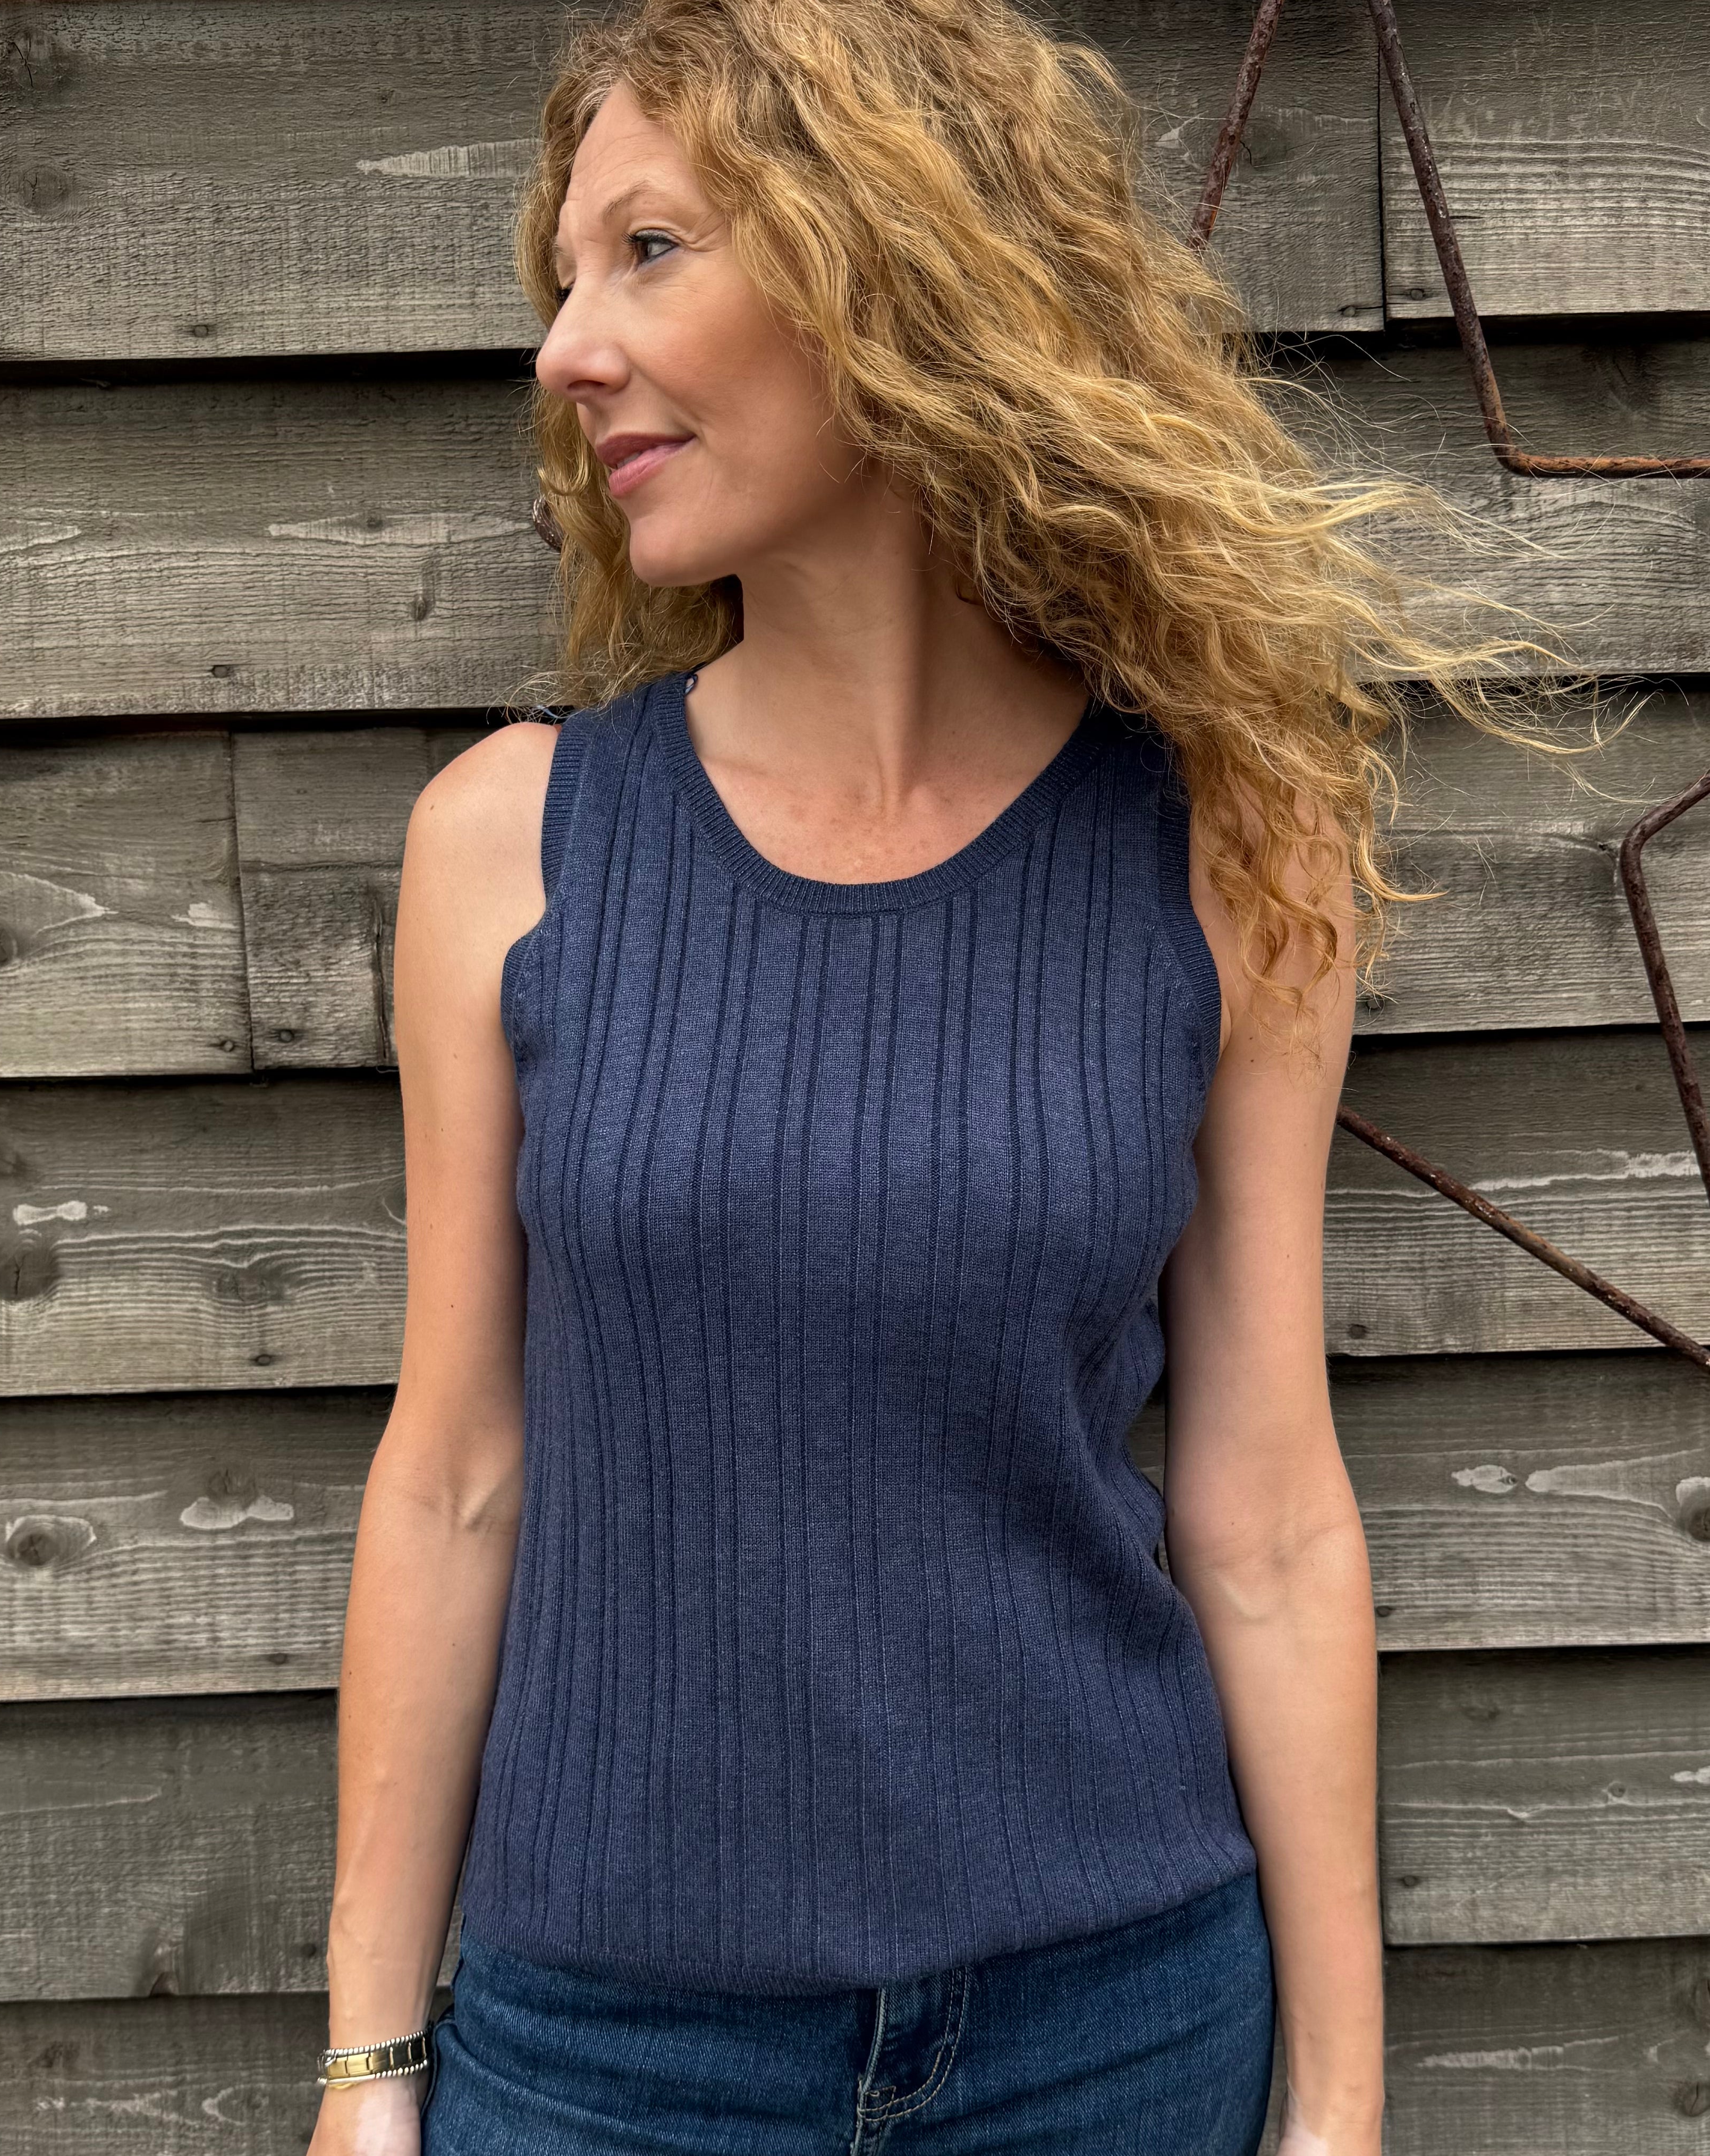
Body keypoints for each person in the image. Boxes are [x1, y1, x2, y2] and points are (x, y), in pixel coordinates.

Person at [307, 3, 1551, 2151]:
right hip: (606, 2065)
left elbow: (1260, 1509)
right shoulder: (505, 846)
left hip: (1112, 2038)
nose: (564, 351)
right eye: (562, 278)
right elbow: (457, 1474)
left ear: (879, 258)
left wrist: (1337, 2107)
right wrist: (364, 2066)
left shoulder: (1229, 840)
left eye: (648, 252)